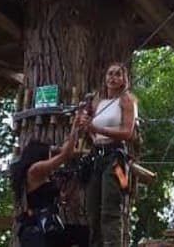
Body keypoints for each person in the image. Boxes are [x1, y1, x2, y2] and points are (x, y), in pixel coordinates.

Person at [77, 63, 138, 247]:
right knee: (93, 211)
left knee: (110, 210)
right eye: (110, 73)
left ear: (123, 80)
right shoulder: (98, 102)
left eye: (118, 74)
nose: (113, 77)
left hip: (116, 158)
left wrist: (97, 129)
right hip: (97, 156)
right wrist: (88, 128)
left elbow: (128, 133)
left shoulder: (126, 100)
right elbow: (92, 131)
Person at [11, 121, 90, 247]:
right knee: (85, 235)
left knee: (84, 235)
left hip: (47, 226)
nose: (50, 156)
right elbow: (65, 155)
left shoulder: (41, 175)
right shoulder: (34, 169)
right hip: (39, 228)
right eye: (49, 154)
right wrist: (75, 127)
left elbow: (62, 199)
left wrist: (74, 181)